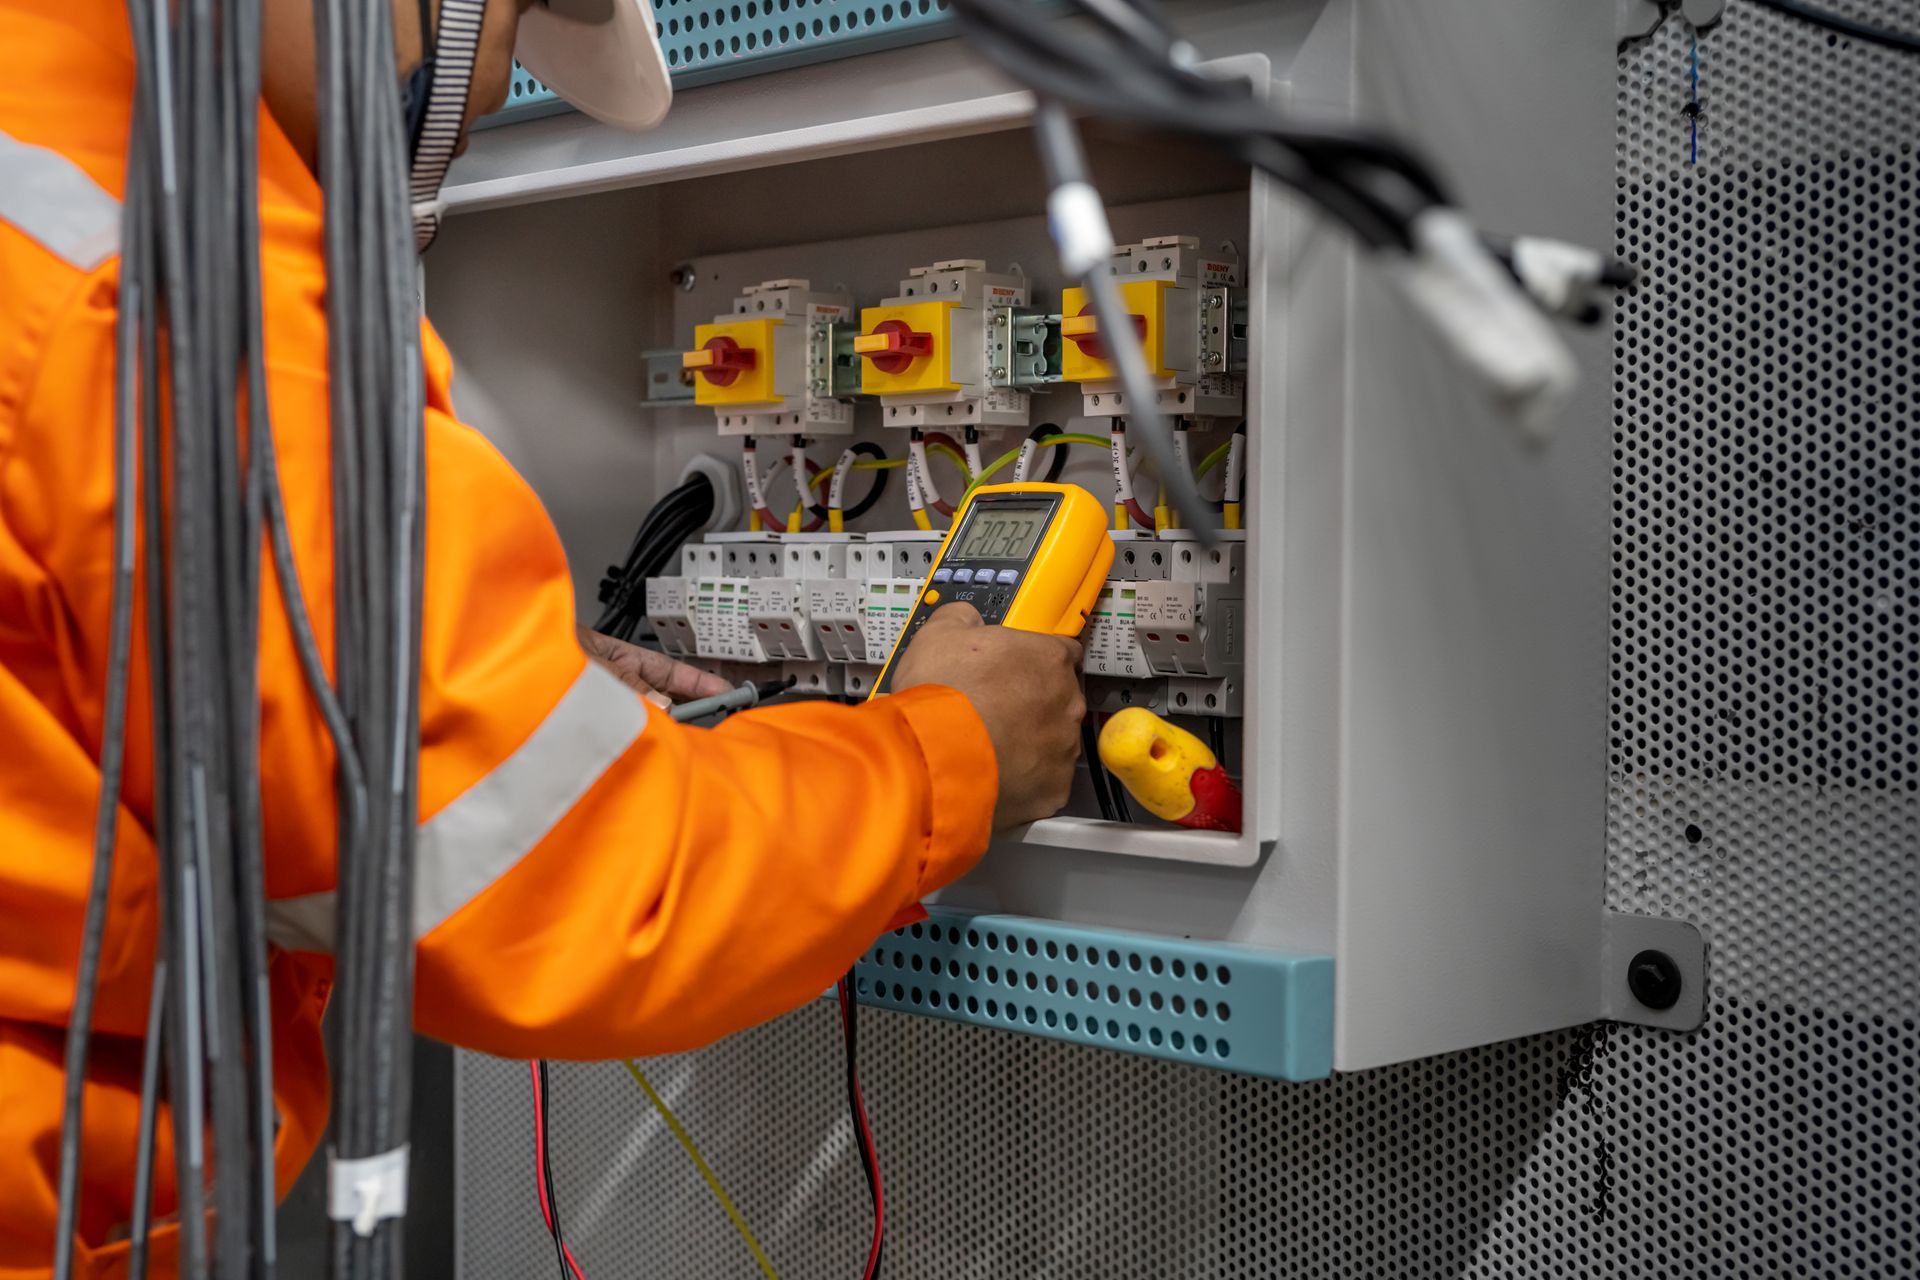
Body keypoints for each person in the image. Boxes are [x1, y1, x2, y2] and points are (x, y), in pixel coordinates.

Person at [0, 0, 1088, 1271]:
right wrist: (946, 753)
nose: (480, 104)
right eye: (507, 30)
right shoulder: (168, 274)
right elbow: (579, 880)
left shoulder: (64, 159)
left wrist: (511, 694)